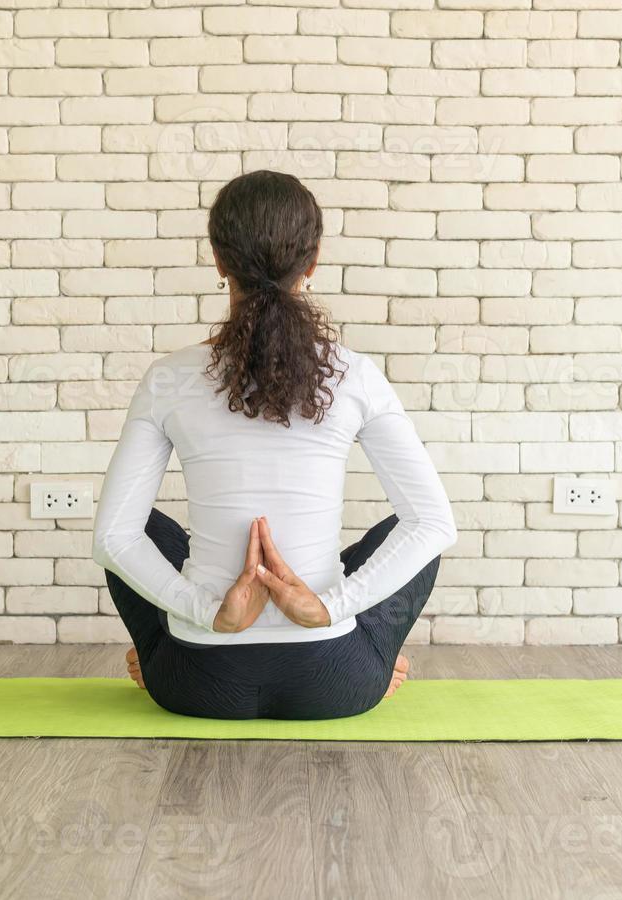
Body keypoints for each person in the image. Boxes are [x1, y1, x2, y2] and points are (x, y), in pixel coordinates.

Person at [92, 169, 458, 720]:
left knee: (139, 526)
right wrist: (325, 608)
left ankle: (157, 653)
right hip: (335, 684)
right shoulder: (354, 376)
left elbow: (111, 538)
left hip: (193, 684)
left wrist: (210, 613)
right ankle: (378, 662)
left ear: (218, 260)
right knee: (406, 535)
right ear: (311, 263)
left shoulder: (167, 378)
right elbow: (435, 524)